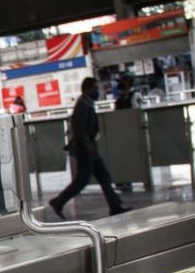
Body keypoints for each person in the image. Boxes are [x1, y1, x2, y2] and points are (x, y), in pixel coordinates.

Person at [48, 78, 133, 220]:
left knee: (104, 177)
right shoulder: (82, 104)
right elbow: (79, 129)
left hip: (91, 148)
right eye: (95, 88)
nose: (97, 91)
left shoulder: (87, 102)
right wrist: (87, 146)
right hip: (86, 150)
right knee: (81, 180)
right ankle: (58, 201)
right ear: (86, 89)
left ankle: (115, 206)